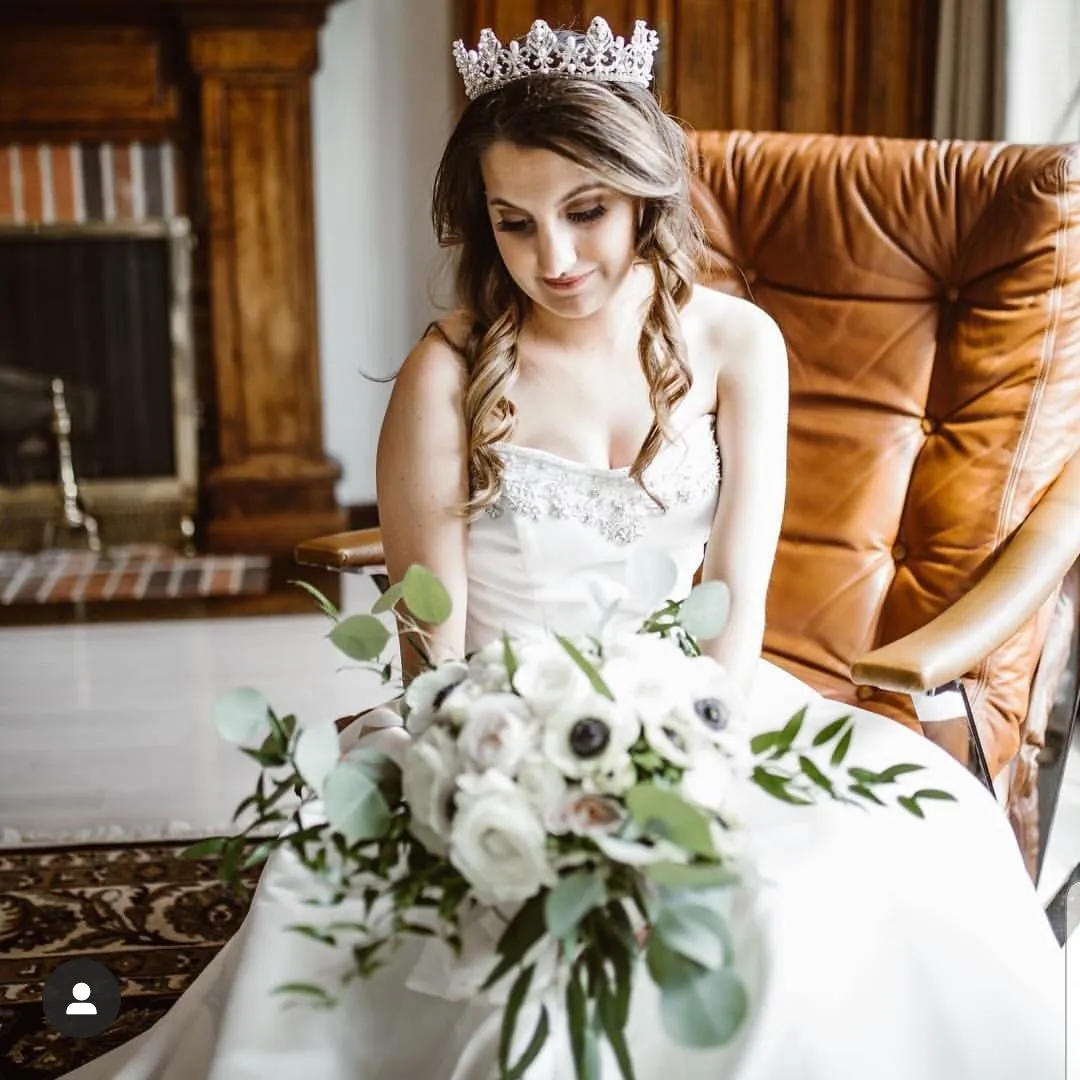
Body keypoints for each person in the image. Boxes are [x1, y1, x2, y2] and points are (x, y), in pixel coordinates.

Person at [63, 18, 1065, 1080]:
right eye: (514, 223)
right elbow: (430, 650)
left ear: (644, 188)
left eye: (585, 212)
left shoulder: (739, 345)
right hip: (489, 727)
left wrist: (699, 760)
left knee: (886, 846)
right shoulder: (447, 371)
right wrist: (487, 786)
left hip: (698, 705)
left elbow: (736, 591)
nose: (554, 259)